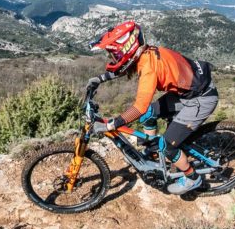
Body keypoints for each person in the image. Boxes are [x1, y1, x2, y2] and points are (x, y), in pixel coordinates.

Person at [87, 20, 218, 195]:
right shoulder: (146, 52)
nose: (114, 59)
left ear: (127, 50)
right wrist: (101, 79)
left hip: (200, 99)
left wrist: (112, 124)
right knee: (148, 115)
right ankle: (152, 151)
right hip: (189, 92)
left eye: (115, 55)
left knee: (167, 146)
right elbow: (126, 66)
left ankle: (192, 178)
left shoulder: (148, 68)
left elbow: (139, 107)